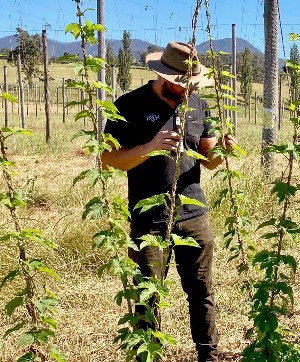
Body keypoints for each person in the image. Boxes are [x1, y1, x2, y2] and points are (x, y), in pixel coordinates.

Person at [101, 41, 235, 362]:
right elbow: (109, 159)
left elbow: (210, 158)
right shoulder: (128, 105)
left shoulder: (198, 105)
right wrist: (150, 146)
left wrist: (223, 151)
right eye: (181, 85)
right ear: (164, 76)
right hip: (149, 218)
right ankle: (149, 356)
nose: (187, 91)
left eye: (191, 85)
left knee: (202, 291)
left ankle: (209, 356)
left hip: (193, 212)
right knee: (147, 294)